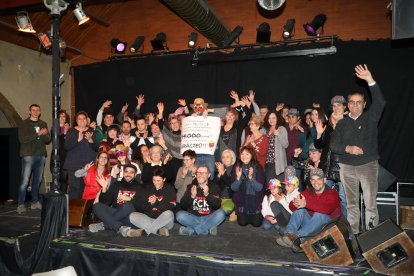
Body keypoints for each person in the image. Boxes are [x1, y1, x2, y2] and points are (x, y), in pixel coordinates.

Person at [331, 64, 386, 234]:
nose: (355, 105)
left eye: (359, 102)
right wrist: (348, 148)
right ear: (348, 105)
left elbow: (381, 102)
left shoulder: (371, 118)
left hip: (367, 166)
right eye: (352, 103)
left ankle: (371, 236)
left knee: (370, 204)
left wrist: (370, 80)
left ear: (364, 104)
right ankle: (353, 234)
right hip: (347, 168)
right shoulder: (342, 123)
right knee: (352, 204)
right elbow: (333, 145)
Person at [276, 168, 341, 250]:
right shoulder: (308, 191)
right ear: (310, 181)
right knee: (300, 210)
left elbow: (327, 209)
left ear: (324, 180)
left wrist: (306, 203)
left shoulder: (333, 194)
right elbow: (291, 207)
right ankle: (289, 234)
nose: (315, 182)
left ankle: (298, 238)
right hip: (310, 227)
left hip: (327, 228)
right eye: (313, 180)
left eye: (319, 179)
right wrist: (296, 203)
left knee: (319, 214)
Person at [89, 164, 144, 237]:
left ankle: (104, 225)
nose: (128, 174)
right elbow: (106, 202)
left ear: (135, 174)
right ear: (123, 173)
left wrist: (130, 199)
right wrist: (104, 188)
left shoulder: (140, 187)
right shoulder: (116, 185)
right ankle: (120, 228)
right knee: (96, 206)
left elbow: (142, 207)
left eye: (131, 172)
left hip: (129, 217)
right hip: (115, 212)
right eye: (126, 172)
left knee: (127, 205)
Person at [17, 104, 51, 214]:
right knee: (25, 181)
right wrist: (38, 134)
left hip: (40, 155)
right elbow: (22, 139)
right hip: (28, 155)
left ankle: (35, 202)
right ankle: (21, 204)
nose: (35, 112)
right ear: (29, 111)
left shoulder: (43, 123)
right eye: (33, 110)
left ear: (40, 112)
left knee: (38, 180)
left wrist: (45, 134)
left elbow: (47, 139)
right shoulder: (24, 123)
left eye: (37, 110)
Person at [176, 165, 225, 236]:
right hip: (193, 218)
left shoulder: (214, 187)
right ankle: (206, 228)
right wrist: (192, 196)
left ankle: (192, 230)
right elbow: (183, 205)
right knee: (179, 215)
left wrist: (207, 194)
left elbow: (217, 206)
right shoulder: (191, 187)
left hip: (208, 217)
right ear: (195, 174)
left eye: (203, 173)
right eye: (198, 172)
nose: (200, 175)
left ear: (208, 175)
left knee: (221, 214)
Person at [128, 168, 176, 237]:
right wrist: (149, 203)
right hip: (149, 218)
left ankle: (143, 232)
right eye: (154, 180)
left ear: (164, 179)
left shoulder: (170, 189)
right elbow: (141, 207)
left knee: (169, 213)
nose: (156, 183)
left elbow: (171, 206)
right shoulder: (148, 188)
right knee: (132, 215)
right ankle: (158, 230)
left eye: (158, 180)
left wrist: (156, 202)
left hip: (164, 220)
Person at [64, 111, 99, 199]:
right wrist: (78, 140)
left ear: (87, 120)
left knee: (87, 189)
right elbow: (66, 146)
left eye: (84, 118)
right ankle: (73, 211)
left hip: (89, 166)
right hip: (74, 166)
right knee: (75, 189)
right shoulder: (72, 131)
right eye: (79, 119)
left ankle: (84, 211)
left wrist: (91, 140)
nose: (82, 121)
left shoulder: (91, 131)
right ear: (76, 120)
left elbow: (97, 148)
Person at [231, 146, 265, 227]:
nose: (244, 156)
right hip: (242, 202)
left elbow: (259, 188)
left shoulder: (258, 168)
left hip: (255, 202)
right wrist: (238, 178)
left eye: (247, 154)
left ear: (252, 155)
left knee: (257, 224)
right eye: (242, 154)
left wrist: (251, 178)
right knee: (242, 223)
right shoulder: (236, 168)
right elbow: (233, 188)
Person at [263, 110, 289, 183]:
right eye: (269, 118)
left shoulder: (281, 129)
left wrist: (278, 134)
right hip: (267, 162)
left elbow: (286, 145)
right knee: (269, 186)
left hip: (277, 162)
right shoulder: (266, 131)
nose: (271, 120)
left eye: (273, 118)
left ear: (277, 118)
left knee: (277, 186)